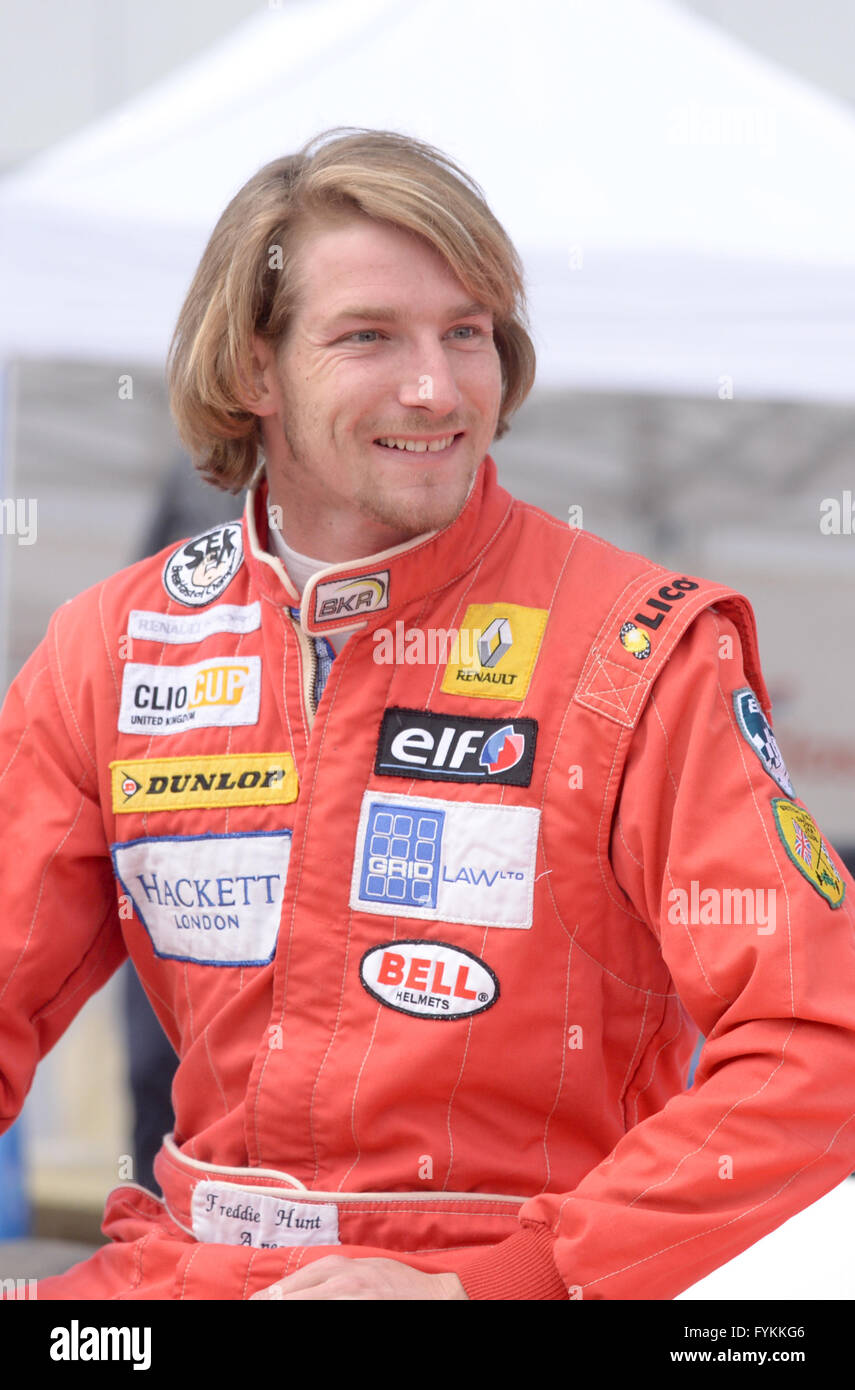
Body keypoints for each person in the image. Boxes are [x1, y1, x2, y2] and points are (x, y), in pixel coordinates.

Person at [2, 126, 854, 1302]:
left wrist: (505, 1284)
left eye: (468, 334)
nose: (436, 386)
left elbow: (822, 1040)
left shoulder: (638, 648)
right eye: (369, 338)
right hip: (179, 1274)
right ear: (255, 369)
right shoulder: (117, 644)